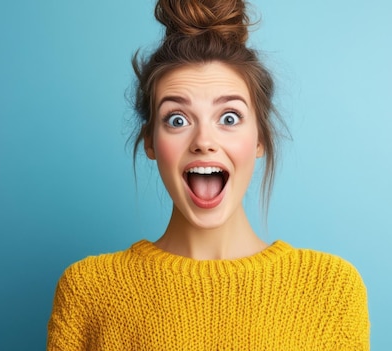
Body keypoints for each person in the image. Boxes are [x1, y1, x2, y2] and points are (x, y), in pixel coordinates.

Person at [47, 0, 370, 349]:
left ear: (259, 138)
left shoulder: (331, 290)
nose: (203, 141)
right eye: (177, 119)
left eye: (229, 118)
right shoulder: (88, 290)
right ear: (151, 143)